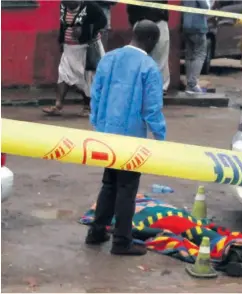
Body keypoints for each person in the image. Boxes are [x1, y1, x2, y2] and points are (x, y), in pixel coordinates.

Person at [86, 20, 167, 256]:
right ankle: (121, 241)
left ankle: (96, 231)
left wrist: (98, 126)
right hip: (131, 139)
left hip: (106, 134)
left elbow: (96, 95)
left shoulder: (109, 59)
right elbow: (151, 109)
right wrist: (161, 138)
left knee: (109, 183)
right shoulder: (149, 68)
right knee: (127, 188)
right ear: (151, 40)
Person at [43, 0, 106, 117]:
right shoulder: (63, 5)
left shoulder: (90, 6)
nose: (69, 4)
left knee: (87, 78)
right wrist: (61, 41)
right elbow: (63, 24)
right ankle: (58, 106)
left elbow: (103, 22)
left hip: (87, 48)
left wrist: (84, 29)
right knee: (63, 74)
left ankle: (88, 107)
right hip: (69, 48)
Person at [127, 1, 170, 95]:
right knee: (160, 56)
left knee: (139, 56)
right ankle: (159, 86)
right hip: (157, 20)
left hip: (140, 20)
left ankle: (142, 85)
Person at [182, 0, 210, 94]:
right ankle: (193, 83)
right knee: (200, 54)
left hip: (186, 26)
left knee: (189, 56)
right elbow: (205, 7)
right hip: (198, 26)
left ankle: (189, 84)